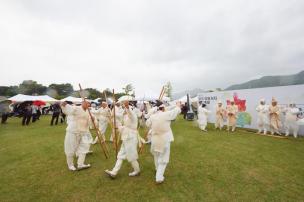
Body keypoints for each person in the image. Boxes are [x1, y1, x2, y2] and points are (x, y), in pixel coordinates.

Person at [146, 101, 181, 184]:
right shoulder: (166, 114)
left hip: (155, 139)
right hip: (164, 139)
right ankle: (159, 177)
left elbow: (147, 124)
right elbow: (177, 111)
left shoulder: (153, 116)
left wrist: (152, 114)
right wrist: (178, 105)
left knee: (156, 155)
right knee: (163, 158)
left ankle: (157, 169)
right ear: (163, 108)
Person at [105, 100, 141, 178]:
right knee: (120, 155)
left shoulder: (133, 116)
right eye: (124, 108)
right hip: (125, 137)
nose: (124, 110)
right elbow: (125, 126)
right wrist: (118, 127)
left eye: (125, 108)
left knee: (131, 156)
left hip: (131, 138)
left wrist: (127, 107)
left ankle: (137, 170)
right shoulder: (126, 116)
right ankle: (114, 172)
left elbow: (130, 114)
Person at [61, 100, 93, 171]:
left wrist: (93, 121)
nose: (88, 104)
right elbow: (68, 110)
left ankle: (80, 164)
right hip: (73, 132)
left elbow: (91, 122)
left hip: (84, 132)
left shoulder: (89, 112)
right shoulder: (76, 108)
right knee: (71, 149)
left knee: (85, 147)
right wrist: (64, 105)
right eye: (86, 103)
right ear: (83, 103)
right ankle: (70, 165)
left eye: (89, 103)